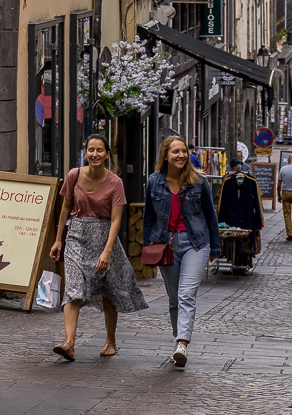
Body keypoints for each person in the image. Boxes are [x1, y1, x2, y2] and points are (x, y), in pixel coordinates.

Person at [51, 134, 147, 362]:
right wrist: (58, 239)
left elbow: (116, 220)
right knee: (73, 288)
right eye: (91, 150)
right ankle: (69, 344)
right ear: (85, 153)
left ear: (107, 154)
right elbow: (64, 209)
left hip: (104, 237)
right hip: (76, 235)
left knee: (108, 292)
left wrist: (107, 251)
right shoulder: (73, 175)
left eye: (99, 150)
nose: (95, 154)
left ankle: (110, 341)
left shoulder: (115, 182)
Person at [143, 136, 221, 367]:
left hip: (195, 243)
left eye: (184, 151)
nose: (181, 155)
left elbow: (210, 215)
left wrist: (215, 247)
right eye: (176, 151)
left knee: (187, 294)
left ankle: (182, 344)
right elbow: (149, 217)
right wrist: (148, 245)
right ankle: (179, 341)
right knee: (174, 298)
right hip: (165, 245)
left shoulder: (198, 181)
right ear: (165, 155)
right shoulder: (154, 182)